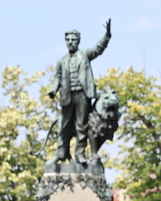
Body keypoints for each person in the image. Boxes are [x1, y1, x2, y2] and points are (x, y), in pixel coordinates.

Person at [47, 21, 112, 165]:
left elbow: (98, 49)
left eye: (73, 39)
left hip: (82, 94)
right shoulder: (61, 61)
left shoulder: (85, 55)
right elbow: (57, 77)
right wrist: (53, 89)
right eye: (68, 40)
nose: (70, 42)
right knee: (64, 126)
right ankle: (60, 153)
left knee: (81, 125)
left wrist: (107, 35)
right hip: (67, 96)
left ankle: (80, 154)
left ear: (78, 41)